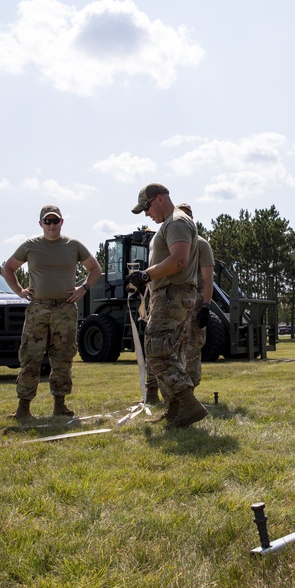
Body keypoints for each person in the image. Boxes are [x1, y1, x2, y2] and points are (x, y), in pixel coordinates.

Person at [1, 204, 101, 420]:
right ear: (41, 224)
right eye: (47, 221)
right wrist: (19, 291)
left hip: (65, 309)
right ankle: (23, 408)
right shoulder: (30, 246)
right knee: (31, 357)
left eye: (55, 220)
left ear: (62, 222)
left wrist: (83, 289)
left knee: (63, 357)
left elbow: (95, 268)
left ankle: (60, 406)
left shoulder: (73, 246)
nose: (52, 224)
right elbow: (7, 268)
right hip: (38, 308)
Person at [127, 183, 208, 428]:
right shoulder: (172, 223)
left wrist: (145, 275)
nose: (146, 213)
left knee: (158, 350)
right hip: (173, 294)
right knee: (171, 351)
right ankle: (176, 410)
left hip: (172, 296)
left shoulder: (176, 222)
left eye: (147, 207)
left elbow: (179, 260)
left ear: (159, 199)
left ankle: (188, 401)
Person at [176, 203, 215, 392]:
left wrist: (206, 307)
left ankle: (189, 392)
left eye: (187, 216)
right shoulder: (171, 242)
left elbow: (208, 279)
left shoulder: (200, 244)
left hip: (195, 303)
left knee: (192, 348)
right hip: (173, 303)